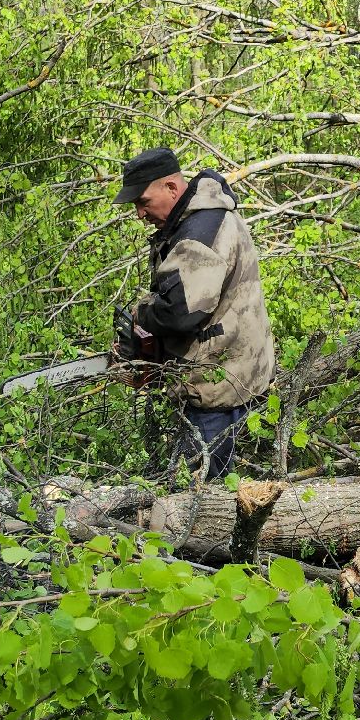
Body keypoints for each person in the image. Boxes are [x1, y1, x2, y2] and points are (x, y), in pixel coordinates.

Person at [112, 147, 276, 480]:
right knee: (224, 484)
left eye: (143, 202)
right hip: (236, 371)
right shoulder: (204, 217)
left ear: (171, 188)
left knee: (197, 497)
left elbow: (181, 313)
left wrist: (140, 316)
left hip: (217, 388)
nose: (140, 214)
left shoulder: (198, 235)